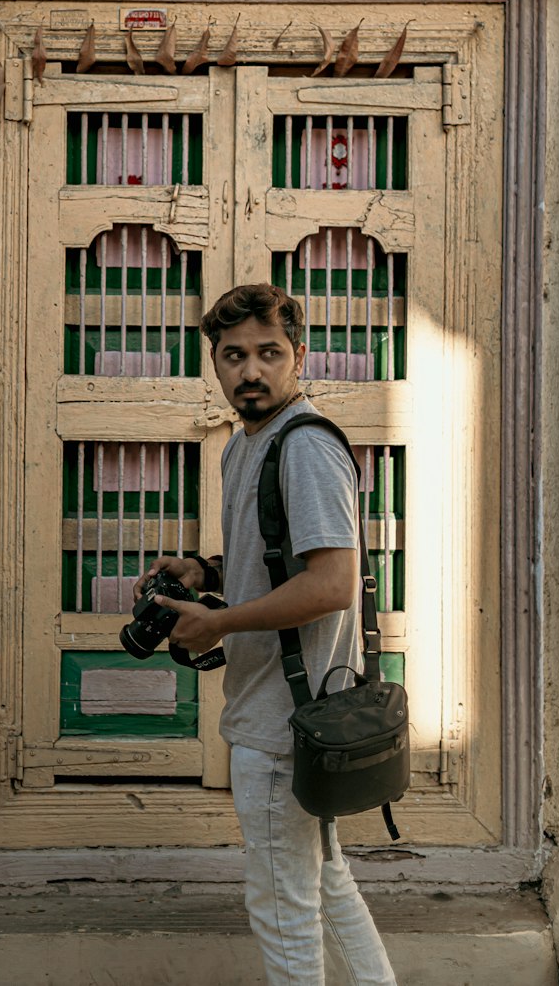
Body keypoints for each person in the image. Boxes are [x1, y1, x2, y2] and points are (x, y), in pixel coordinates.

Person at [138, 282, 397, 986]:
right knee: (329, 884)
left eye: (268, 353)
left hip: (285, 723)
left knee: (284, 912)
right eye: (233, 356)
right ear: (213, 363)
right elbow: (282, 559)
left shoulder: (304, 447)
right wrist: (205, 569)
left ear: (299, 356)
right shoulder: (248, 444)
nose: (250, 371)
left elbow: (331, 584)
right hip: (287, 713)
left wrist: (217, 622)